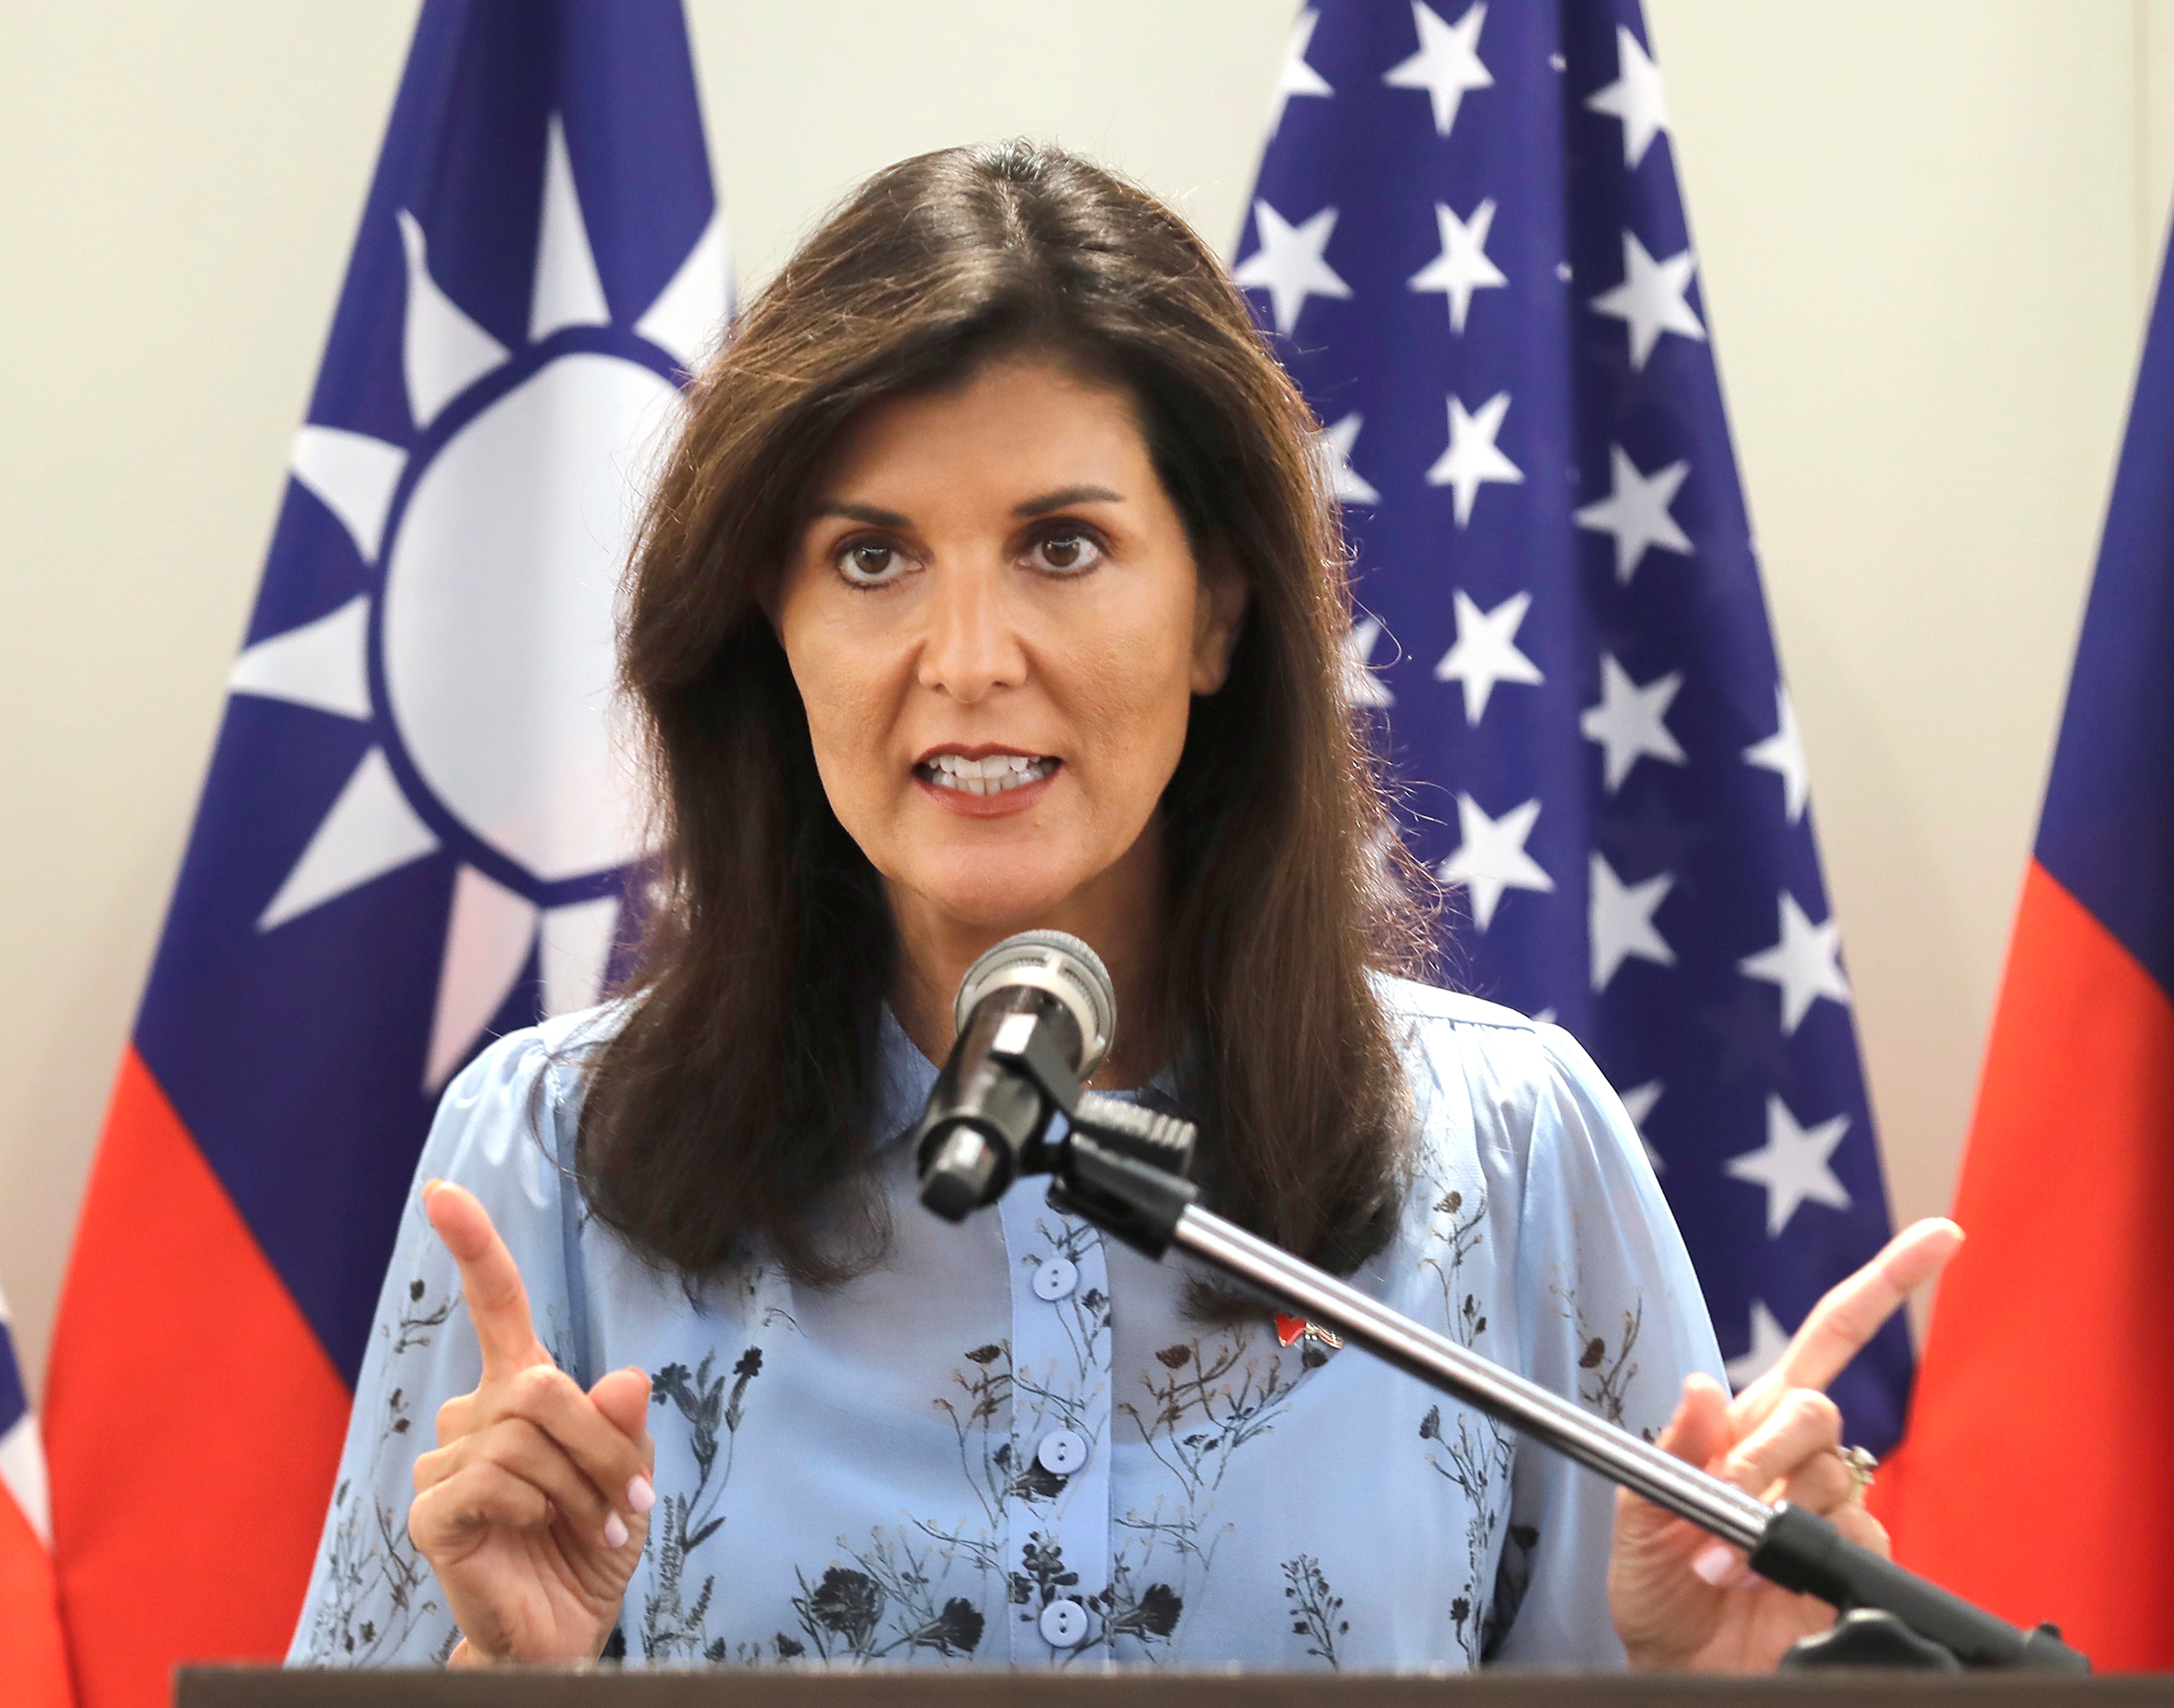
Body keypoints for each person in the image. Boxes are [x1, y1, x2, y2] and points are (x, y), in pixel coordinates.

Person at [287, 141, 1956, 1673]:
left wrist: (1708, 1685)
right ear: (767, 628)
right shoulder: (552, 1156)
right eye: (872, 558)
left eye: (1063, 546)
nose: (967, 657)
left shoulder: (1512, 1152)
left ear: (1221, 611)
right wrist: (503, 1680)